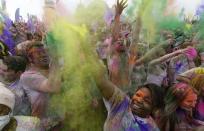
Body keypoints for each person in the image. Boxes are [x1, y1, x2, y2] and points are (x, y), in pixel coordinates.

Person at [95, 59, 164, 131]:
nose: (139, 100)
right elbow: (101, 81)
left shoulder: (152, 128)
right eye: (138, 95)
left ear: (154, 108)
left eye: (146, 101)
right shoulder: (122, 103)